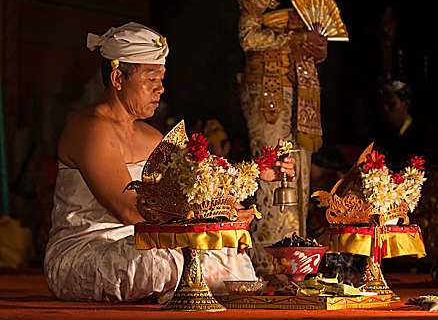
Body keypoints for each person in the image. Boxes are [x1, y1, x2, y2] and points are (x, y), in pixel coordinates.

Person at [44, 22, 294, 303]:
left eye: (162, 78)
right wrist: (211, 216)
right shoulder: (90, 129)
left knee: (223, 253)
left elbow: (197, 185)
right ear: (117, 78)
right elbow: (131, 211)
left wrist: (253, 178)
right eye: (151, 78)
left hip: (145, 241)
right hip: (88, 251)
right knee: (159, 261)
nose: (161, 88)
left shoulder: (151, 136)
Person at [235, 0, 328, 273]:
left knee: (299, 174)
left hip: (303, 91)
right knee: (273, 171)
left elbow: (314, 48)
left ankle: (298, 263)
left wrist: (319, 49)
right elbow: (248, 37)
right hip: (269, 88)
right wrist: (299, 38)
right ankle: (266, 264)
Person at [373, 80, 424, 169]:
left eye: (391, 104)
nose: (385, 109)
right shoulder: (379, 132)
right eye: (382, 104)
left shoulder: (422, 133)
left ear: (407, 104)